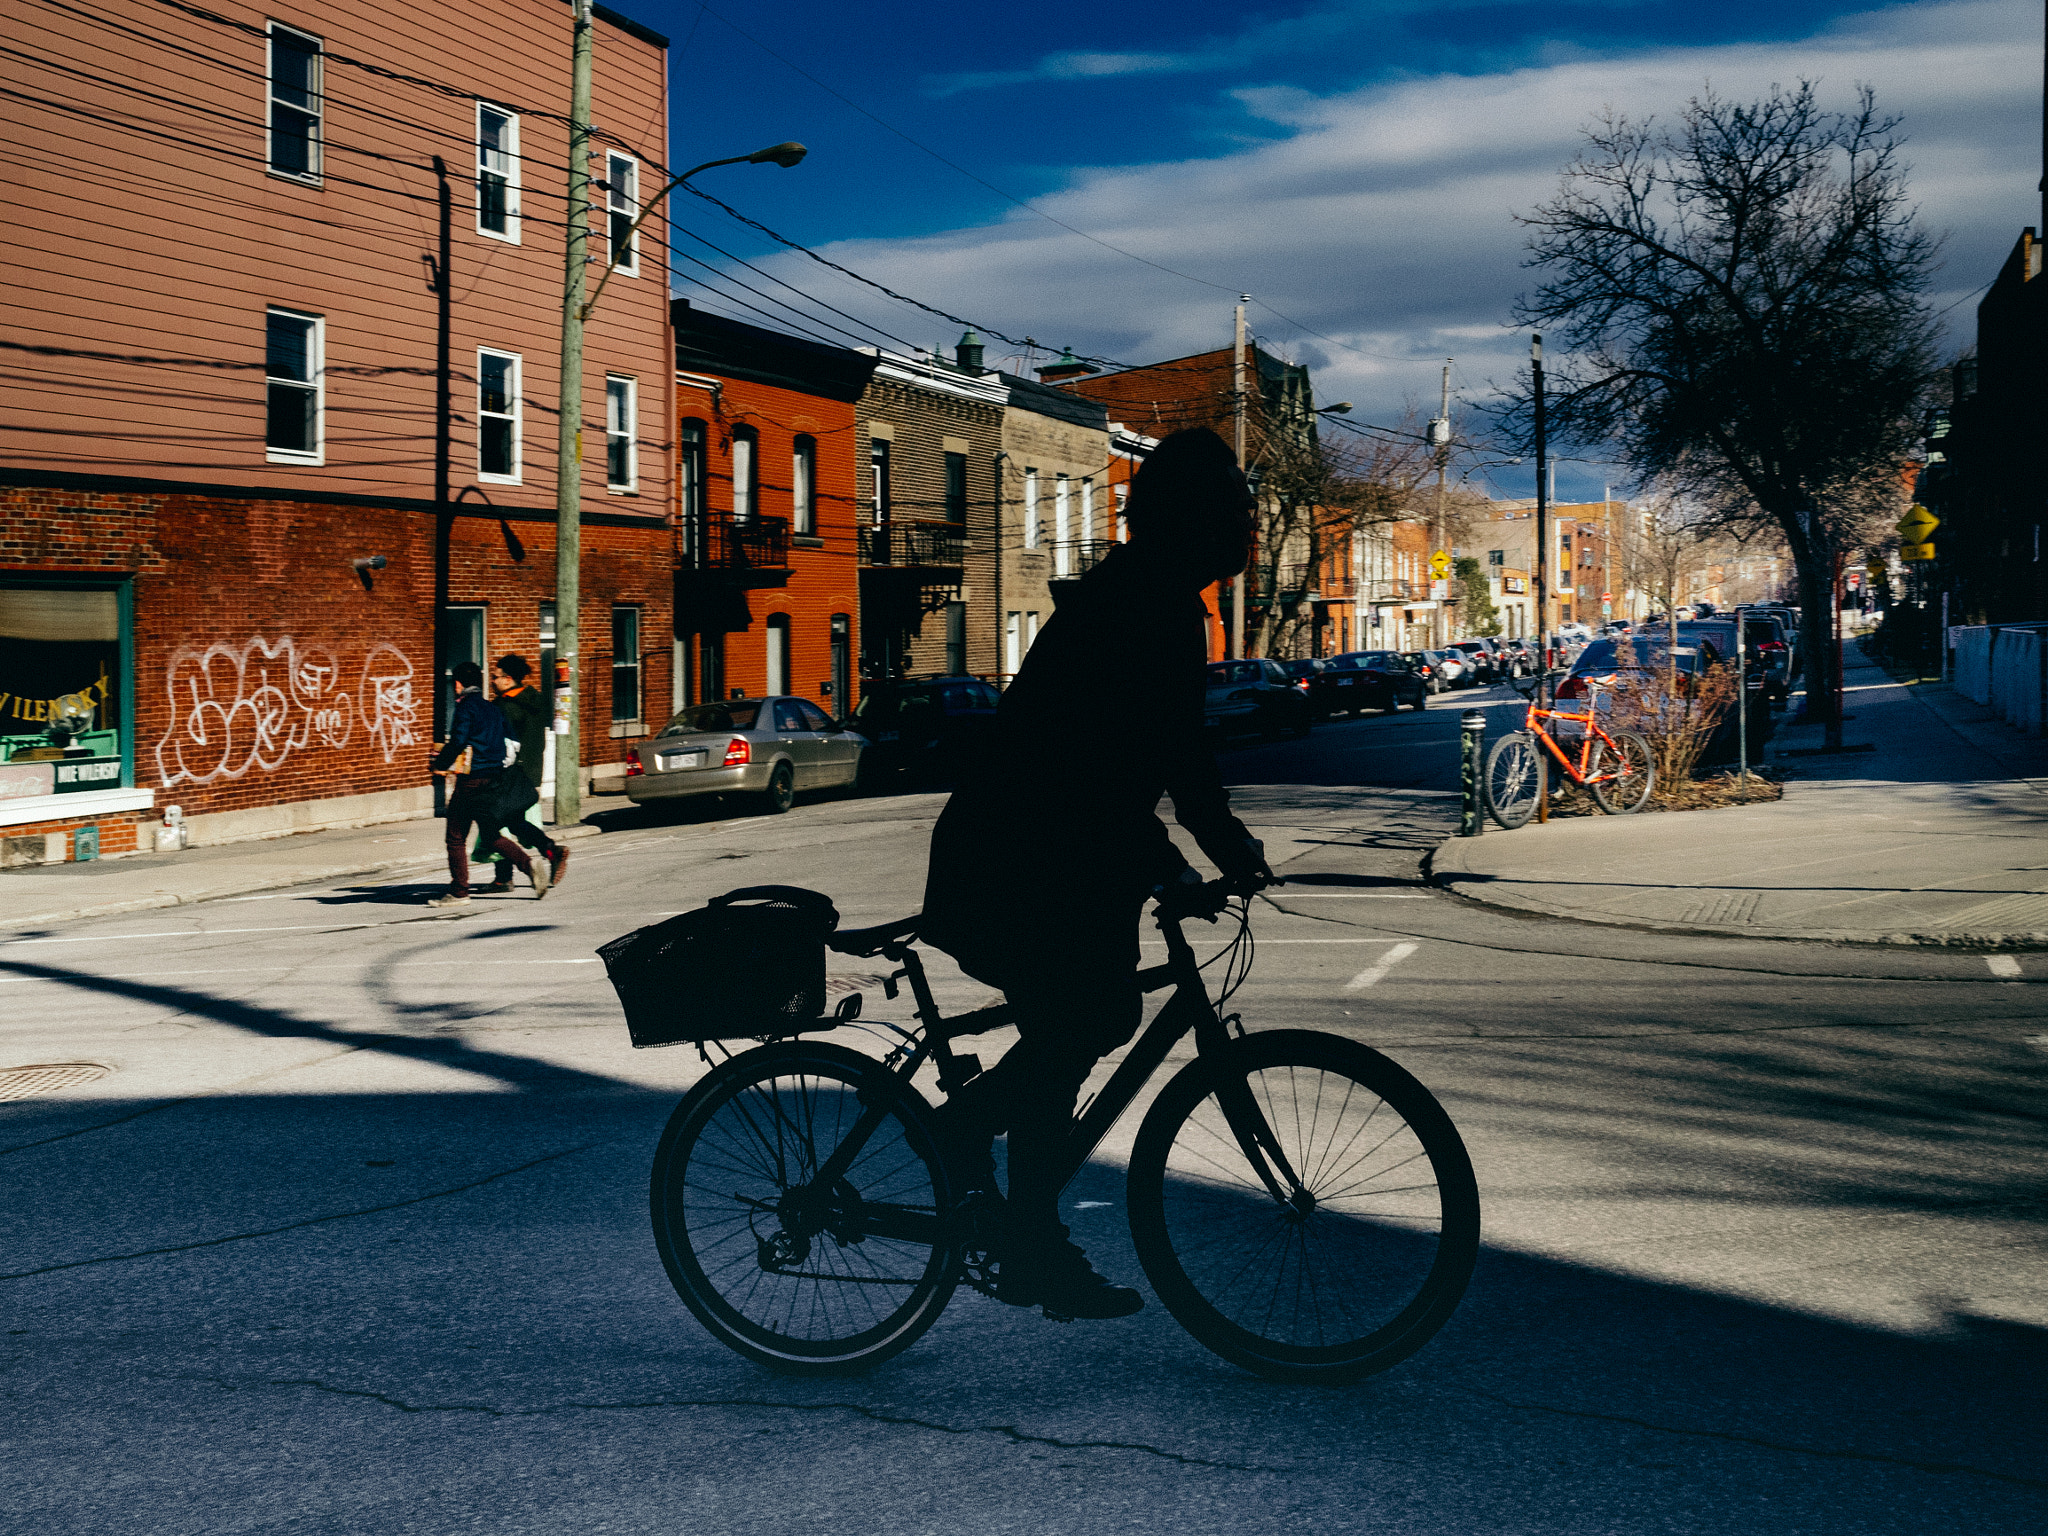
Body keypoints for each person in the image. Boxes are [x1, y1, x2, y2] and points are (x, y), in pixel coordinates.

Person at [920, 427, 1272, 1320]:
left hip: (1061, 857)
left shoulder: (1158, 598)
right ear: (1192, 519)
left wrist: (1217, 848)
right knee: (1086, 1019)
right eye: (1236, 510)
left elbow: (1171, 756)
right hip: (1018, 857)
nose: (1248, 529)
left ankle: (1025, 1234)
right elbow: (1100, 767)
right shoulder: (1139, 606)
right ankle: (972, 1153)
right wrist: (1179, 863)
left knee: (1080, 1026)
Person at [428, 660, 541, 907]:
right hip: (494, 777)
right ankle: (529, 865)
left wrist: (439, 764)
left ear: (458, 684)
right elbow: (510, 741)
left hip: (471, 780)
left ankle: (459, 892)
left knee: (455, 837)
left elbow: (458, 741)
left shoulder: (466, 707)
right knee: (490, 832)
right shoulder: (493, 708)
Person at [482, 654, 569, 895]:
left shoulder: (506, 707)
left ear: (508, 679)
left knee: (492, 823)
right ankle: (550, 851)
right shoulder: (534, 701)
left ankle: (505, 877)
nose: (492, 681)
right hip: (530, 773)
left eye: (495, 677)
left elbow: (500, 743)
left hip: (509, 775)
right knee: (514, 822)